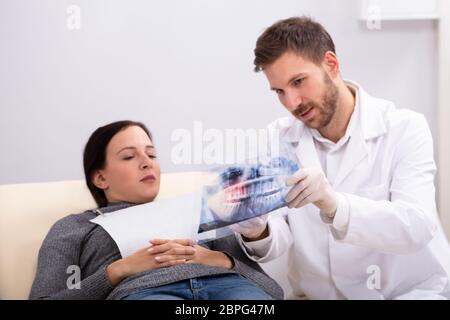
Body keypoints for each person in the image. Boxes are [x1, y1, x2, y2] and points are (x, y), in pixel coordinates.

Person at [233, 16, 450, 299]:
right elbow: (278, 239)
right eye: (279, 92)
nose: (291, 103)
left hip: (406, 293)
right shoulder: (278, 139)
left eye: (299, 82)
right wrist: (256, 229)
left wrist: (335, 204)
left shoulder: (405, 128)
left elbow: (415, 226)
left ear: (331, 65)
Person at [29, 120, 283, 300]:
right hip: (146, 293)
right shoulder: (75, 227)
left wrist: (219, 260)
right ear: (100, 178)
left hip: (230, 288)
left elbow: (273, 291)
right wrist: (119, 270)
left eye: (151, 155)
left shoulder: (198, 213)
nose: (146, 163)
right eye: (129, 156)